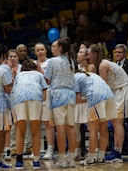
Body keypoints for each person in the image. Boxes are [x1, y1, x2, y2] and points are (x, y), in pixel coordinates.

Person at [87, 43, 128, 163]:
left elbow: (101, 85)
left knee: (118, 121)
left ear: (95, 54)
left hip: (123, 89)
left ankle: (117, 152)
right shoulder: (100, 64)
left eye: (89, 54)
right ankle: (115, 151)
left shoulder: (103, 65)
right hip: (116, 90)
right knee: (115, 121)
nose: (88, 56)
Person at [44, 37, 77, 168]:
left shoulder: (52, 61)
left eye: (55, 46)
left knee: (60, 128)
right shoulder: (71, 61)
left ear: (60, 48)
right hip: (71, 96)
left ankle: (62, 158)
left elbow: (47, 80)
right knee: (71, 127)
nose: (53, 49)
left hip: (58, 95)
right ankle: (72, 158)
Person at [12, 59, 48, 169]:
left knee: (20, 131)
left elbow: (14, 91)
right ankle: (36, 161)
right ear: (34, 67)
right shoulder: (39, 74)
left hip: (19, 99)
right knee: (35, 132)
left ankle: (19, 161)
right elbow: (45, 97)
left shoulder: (18, 75)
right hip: (35, 99)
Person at [75, 70, 114, 165]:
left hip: (96, 97)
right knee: (103, 128)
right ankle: (101, 156)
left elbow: (77, 100)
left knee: (93, 129)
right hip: (110, 96)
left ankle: (91, 157)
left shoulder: (74, 78)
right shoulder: (90, 74)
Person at [34, 42, 55, 159]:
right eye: (38, 50)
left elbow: (51, 79)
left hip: (47, 93)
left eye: (42, 49)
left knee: (48, 123)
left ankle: (50, 149)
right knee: (35, 123)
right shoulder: (32, 63)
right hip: (35, 95)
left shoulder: (50, 63)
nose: (40, 52)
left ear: (46, 50)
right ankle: (36, 149)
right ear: (35, 52)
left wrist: (41, 71)